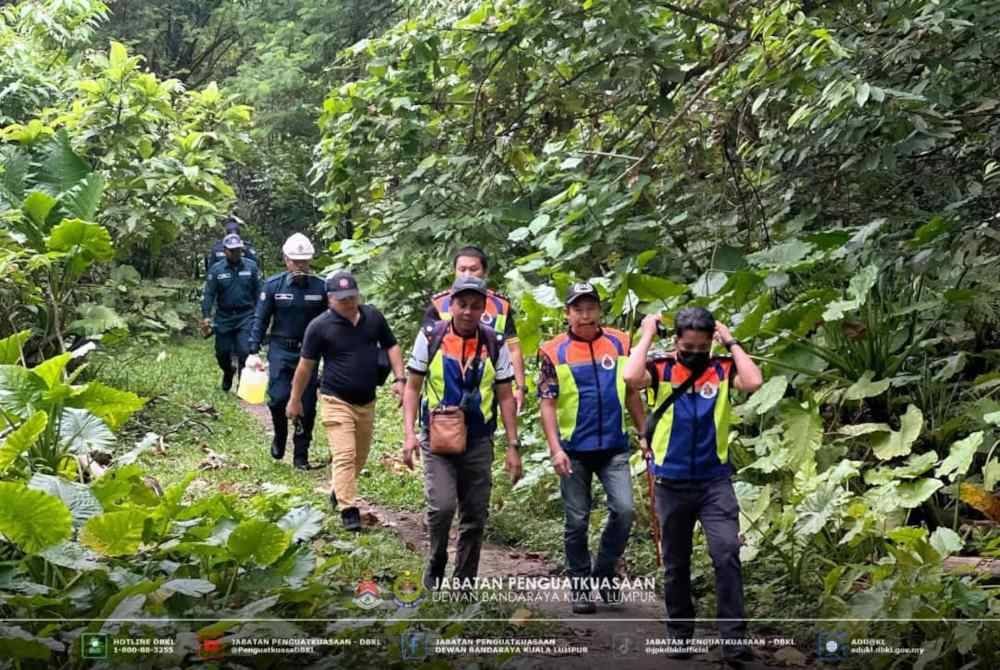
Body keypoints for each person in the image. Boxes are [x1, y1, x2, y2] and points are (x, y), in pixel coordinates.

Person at [623, 306, 763, 664]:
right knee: (676, 563)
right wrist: (647, 333)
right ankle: (680, 635)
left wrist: (730, 341)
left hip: (714, 482)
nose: (696, 353)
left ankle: (734, 641)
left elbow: (753, 382)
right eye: (689, 347)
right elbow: (631, 376)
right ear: (676, 342)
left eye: (703, 347)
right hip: (671, 482)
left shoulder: (722, 369)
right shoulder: (662, 369)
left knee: (727, 553)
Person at [403, 275, 523, 590]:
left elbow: (505, 395)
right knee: (442, 507)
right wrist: (409, 434)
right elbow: (413, 387)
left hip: (479, 438)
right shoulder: (431, 336)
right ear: (451, 305)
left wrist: (513, 445)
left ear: (484, 308)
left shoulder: (495, 342)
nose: (468, 312)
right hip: (437, 436)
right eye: (462, 304)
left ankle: (464, 582)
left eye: (475, 306)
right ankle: (436, 559)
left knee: (475, 514)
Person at [537, 282, 647, 614]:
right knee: (577, 521)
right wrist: (555, 449)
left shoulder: (621, 342)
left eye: (591, 308)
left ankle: (604, 573)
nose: (585, 315)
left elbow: (632, 393)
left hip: (614, 446)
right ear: (567, 313)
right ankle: (580, 586)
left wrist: (644, 433)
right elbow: (547, 404)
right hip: (573, 449)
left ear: (599, 310)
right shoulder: (553, 351)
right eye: (578, 309)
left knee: (625, 511)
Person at [287, 270, 405, 531]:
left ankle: (339, 490)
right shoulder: (319, 327)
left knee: (359, 457)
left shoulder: (373, 317)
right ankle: (349, 511)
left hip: (367, 401)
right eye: (342, 299)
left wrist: (400, 379)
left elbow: (392, 345)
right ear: (330, 299)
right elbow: (305, 366)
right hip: (335, 399)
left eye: (352, 297)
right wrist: (295, 399)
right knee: (345, 455)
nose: (348, 303)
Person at [246, 233, 327, 469]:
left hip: (309, 353)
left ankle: (301, 454)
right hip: (281, 349)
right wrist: (253, 350)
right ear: (286, 260)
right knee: (278, 399)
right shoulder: (274, 286)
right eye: (295, 261)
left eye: (304, 261)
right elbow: (261, 319)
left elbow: (331, 321)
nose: (300, 266)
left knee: (307, 406)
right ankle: (280, 435)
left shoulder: (321, 287)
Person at [422, 246, 527, 413]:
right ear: (454, 272)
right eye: (462, 269)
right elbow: (425, 350)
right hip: (446, 389)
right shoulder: (439, 303)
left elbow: (513, 348)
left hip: (486, 382)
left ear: (484, 272)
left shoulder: (501, 306)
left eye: (473, 269)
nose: (467, 274)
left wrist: (520, 387)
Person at [201, 234, 260, 391]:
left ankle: (242, 385)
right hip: (224, 317)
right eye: (232, 250)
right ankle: (228, 371)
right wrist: (206, 316)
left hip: (246, 315)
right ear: (225, 251)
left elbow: (259, 293)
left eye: (238, 250)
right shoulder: (216, 269)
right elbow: (209, 294)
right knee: (222, 352)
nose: (235, 253)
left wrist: (260, 315)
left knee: (244, 351)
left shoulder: (251, 267)